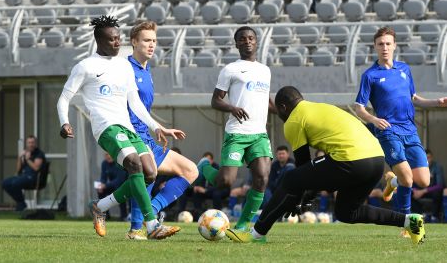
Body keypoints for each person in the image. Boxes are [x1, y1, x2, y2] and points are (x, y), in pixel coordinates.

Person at [225, 86, 426, 245]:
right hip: (376, 161)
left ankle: (257, 233)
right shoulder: (322, 107)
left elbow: (303, 168)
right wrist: (304, 198)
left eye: (279, 112)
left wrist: (301, 200)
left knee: (289, 178)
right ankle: (410, 221)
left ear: (284, 108)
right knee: (347, 212)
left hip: (351, 158)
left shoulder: (294, 119)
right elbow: (310, 175)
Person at [56, 15, 182, 239]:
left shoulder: (125, 66)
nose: (117, 43)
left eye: (119, 38)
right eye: (112, 39)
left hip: (128, 127)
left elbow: (135, 103)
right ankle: (152, 225)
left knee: (150, 174)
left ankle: (100, 206)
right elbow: (64, 98)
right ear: (100, 41)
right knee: (134, 163)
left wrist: (156, 127)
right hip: (106, 128)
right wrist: (64, 122)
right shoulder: (85, 66)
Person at [354, 26, 447, 236]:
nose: (384, 48)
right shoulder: (370, 75)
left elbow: (414, 98)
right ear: (375, 47)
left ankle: (391, 181)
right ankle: (406, 223)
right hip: (388, 131)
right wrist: (374, 119)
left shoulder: (404, 69)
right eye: (380, 44)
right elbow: (359, 107)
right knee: (407, 177)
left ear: (394, 46)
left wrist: (437, 102)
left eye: (388, 44)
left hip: (410, 131)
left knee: (423, 180)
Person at [197, 26, 275, 232]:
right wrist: (232, 107)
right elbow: (215, 100)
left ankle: (242, 227)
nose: (247, 41)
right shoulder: (230, 69)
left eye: (251, 38)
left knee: (262, 178)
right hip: (237, 133)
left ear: (256, 42)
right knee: (225, 181)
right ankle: (204, 166)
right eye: (242, 39)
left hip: (259, 134)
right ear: (237, 43)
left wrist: (287, 112)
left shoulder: (265, 70)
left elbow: (266, 101)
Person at [125, 21, 199, 240]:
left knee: (191, 170)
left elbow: (140, 108)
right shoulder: (125, 69)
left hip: (147, 134)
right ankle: (137, 228)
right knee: (148, 175)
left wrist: (155, 128)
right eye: (146, 40)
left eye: (154, 41)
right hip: (132, 136)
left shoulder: (147, 71)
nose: (151, 45)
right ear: (134, 42)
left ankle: (152, 213)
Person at [2, 135, 46, 211]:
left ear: (35, 143)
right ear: (26, 144)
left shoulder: (39, 153)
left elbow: (36, 168)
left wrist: (28, 159)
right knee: (5, 183)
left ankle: (21, 204)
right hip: (24, 176)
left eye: (32, 142)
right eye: (29, 142)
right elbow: (18, 170)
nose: (31, 144)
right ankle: (21, 202)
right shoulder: (26, 153)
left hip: (34, 178)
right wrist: (20, 157)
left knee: (15, 183)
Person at [411, 149, 445, 222]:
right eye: (425, 158)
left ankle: (434, 216)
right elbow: (411, 182)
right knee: (409, 193)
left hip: (432, 192)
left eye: (428, 157)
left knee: (438, 192)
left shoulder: (437, 167)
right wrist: (414, 190)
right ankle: (421, 214)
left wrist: (423, 191)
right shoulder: (417, 167)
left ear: (432, 157)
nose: (427, 160)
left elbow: (440, 185)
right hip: (419, 191)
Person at [97, 153, 128, 220]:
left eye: (109, 154)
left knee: (120, 190)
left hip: (123, 186)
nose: (108, 156)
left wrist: (105, 185)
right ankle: (105, 215)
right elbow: (103, 177)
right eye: (106, 155)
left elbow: (120, 180)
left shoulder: (119, 163)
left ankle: (124, 216)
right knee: (100, 191)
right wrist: (101, 185)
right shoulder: (104, 163)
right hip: (112, 185)